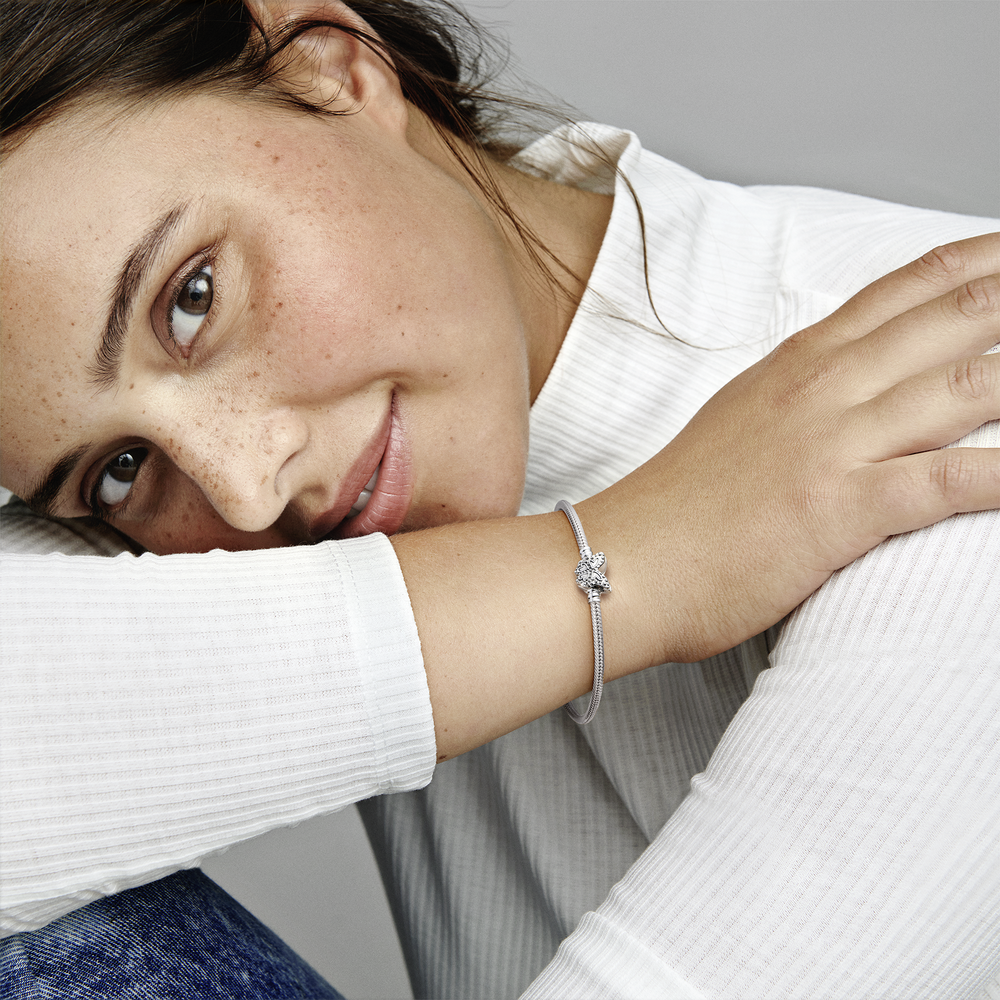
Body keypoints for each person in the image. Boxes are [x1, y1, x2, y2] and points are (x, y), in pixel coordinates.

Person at [1, 1, 998, 997]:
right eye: (120, 469)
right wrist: (630, 563)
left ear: (333, 68)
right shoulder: (274, 523)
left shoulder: (943, 452)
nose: (247, 492)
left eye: (192, 298)